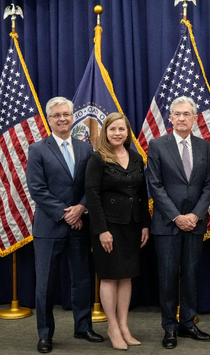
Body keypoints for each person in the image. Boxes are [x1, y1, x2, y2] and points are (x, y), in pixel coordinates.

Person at [26, 97, 103, 354]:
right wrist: (65, 213)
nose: (62, 119)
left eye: (66, 114)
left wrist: (81, 208)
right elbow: (37, 189)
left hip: (80, 226)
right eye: (56, 115)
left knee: (81, 280)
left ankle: (83, 328)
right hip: (49, 227)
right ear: (49, 120)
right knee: (45, 284)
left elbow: (89, 186)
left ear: (72, 117)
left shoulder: (85, 148)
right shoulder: (37, 149)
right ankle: (45, 335)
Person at [147, 96, 210, 349]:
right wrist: (177, 217)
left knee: (191, 274)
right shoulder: (157, 145)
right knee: (167, 276)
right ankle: (170, 327)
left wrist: (196, 215)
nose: (182, 118)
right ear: (171, 118)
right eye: (177, 114)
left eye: (187, 114)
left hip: (195, 223)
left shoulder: (204, 147)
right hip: (167, 224)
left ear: (195, 118)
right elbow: (154, 185)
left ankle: (188, 323)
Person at [85, 112, 150, 350]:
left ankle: (124, 325)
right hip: (108, 227)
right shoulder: (97, 158)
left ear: (127, 132)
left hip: (132, 226)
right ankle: (112, 326)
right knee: (110, 276)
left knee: (126, 276)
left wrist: (145, 224)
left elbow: (142, 195)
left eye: (121, 129)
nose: (117, 133)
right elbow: (91, 195)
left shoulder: (135, 157)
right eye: (112, 129)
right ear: (106, 132)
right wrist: (102, 230)